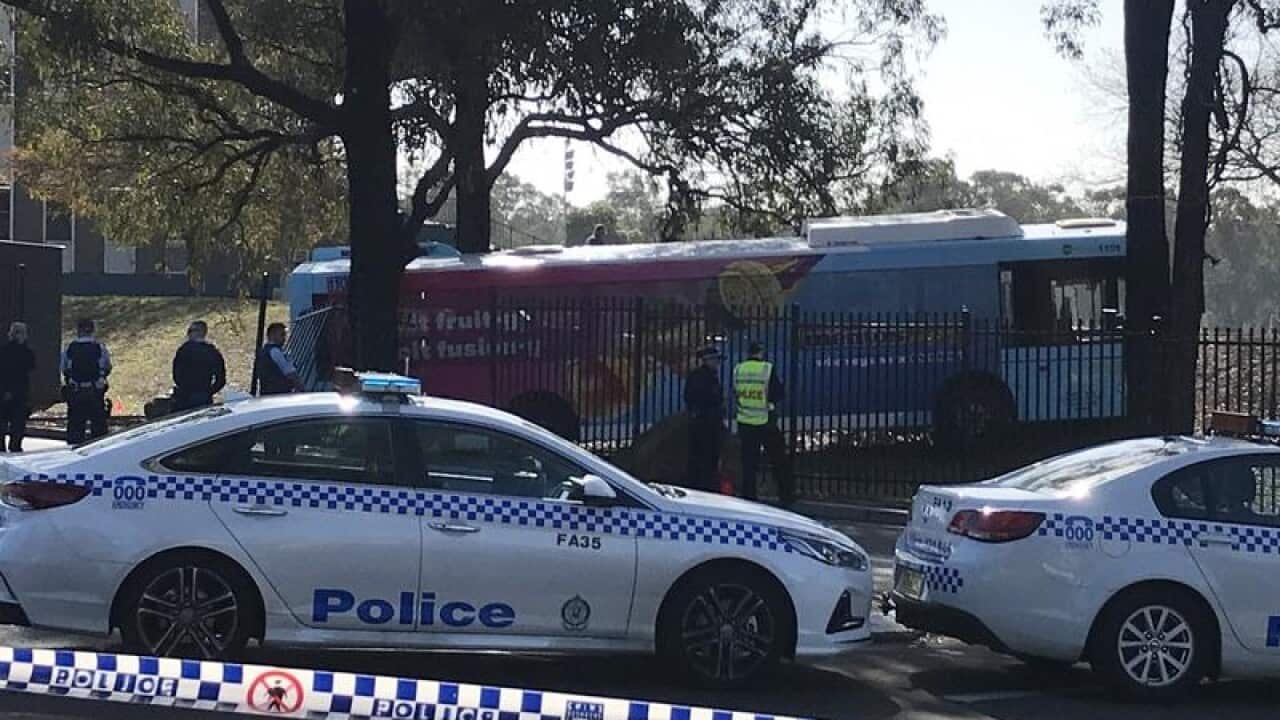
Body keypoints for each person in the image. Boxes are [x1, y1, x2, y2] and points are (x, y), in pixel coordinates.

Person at [733, 341, 794, 505]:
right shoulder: (766, 369)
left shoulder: (738, 369)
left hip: (745, 421)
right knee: (778, 459)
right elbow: (777, 393)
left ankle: (749, 497)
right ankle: (786, 495)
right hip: (766, 421)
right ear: (760, 352)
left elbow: (736, 392)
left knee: (749, 463)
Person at [62, 318, 111, 444]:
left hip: (76, 391)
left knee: (75, 426)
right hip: (95, 391)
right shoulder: (100, 347)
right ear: (93, 330)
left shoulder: (70, 348)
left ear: (78, 330)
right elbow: (107, 367)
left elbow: (64, 368)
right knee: (98, 428)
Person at [683, 345, 724, 492]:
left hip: (699, 421)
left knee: (697, 457)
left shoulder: (699, 375)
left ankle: (696, 485)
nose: (717, 363)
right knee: (707, 457)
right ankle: (705, 488)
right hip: (707, 422)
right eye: (715, 360)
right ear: (707, 360)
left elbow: (688, 397)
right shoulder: (705, 377)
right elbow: (703, 397)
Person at [171, 320, 227, 411]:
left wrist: (184, 388)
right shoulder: (212, 351)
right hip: (203, 395)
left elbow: (176, 374)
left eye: (191, 330)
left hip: (185, 396)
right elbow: (221, 379)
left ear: (201, 332)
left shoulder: (184, 350)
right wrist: (209, 392)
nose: (188, 333)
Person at [0, 322, 35, 452]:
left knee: (2, 423)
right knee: (18, 425)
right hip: (20, 392)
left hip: (3, 391)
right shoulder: (26, 352)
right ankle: (15, 447)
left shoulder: (3, 350)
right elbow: (31, 366)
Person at [254, 322, 304, 395]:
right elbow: (290, 373)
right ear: (272, 335)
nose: (284, 338)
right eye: (282, 335)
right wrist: (301, 388)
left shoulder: (263, 352)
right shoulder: (275, 351)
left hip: (267, 394)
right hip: (280, 395)